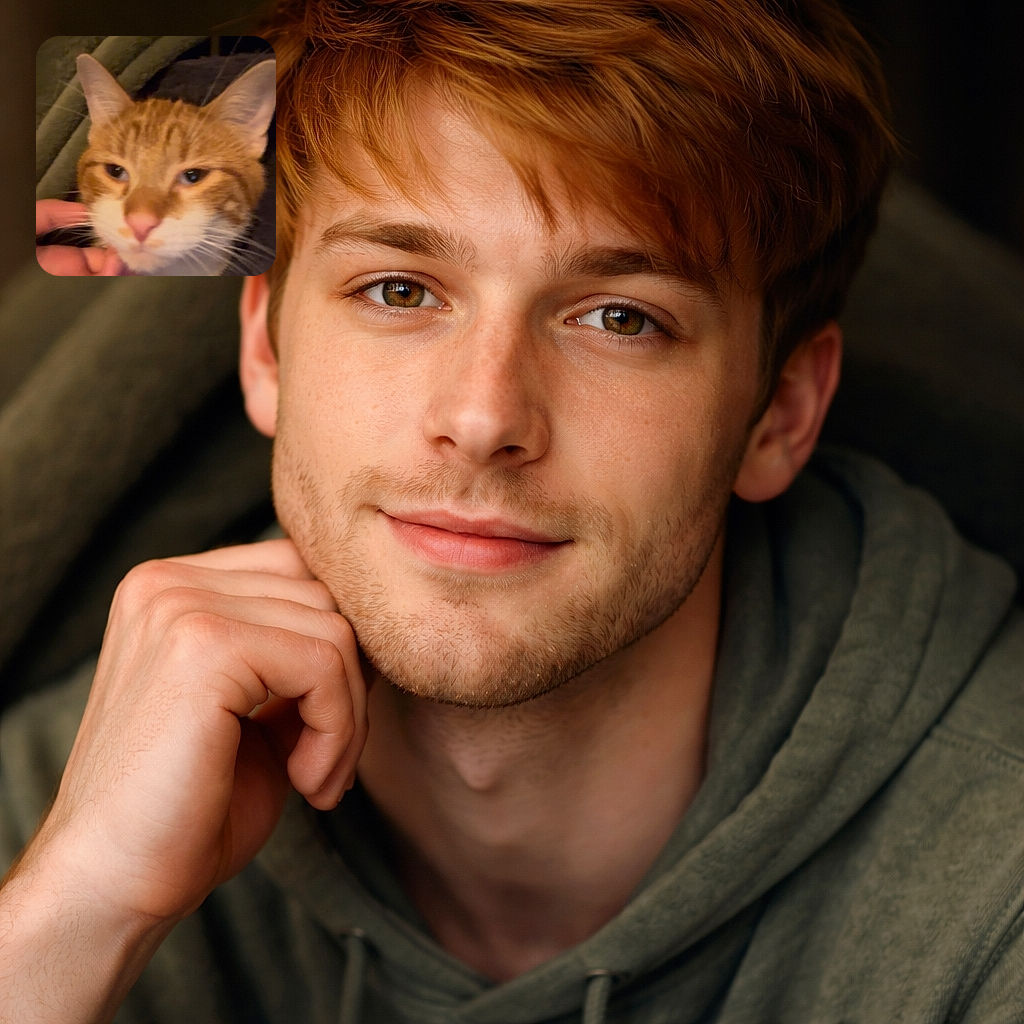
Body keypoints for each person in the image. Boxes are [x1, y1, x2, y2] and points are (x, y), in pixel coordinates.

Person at [2, 1, 1022, 1021]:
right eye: (399, 290)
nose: (484, 416)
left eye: (621, 318)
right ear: (264, 349)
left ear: (779, 414)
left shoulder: (996, 870)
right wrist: (74, 916)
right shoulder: (56, 811)